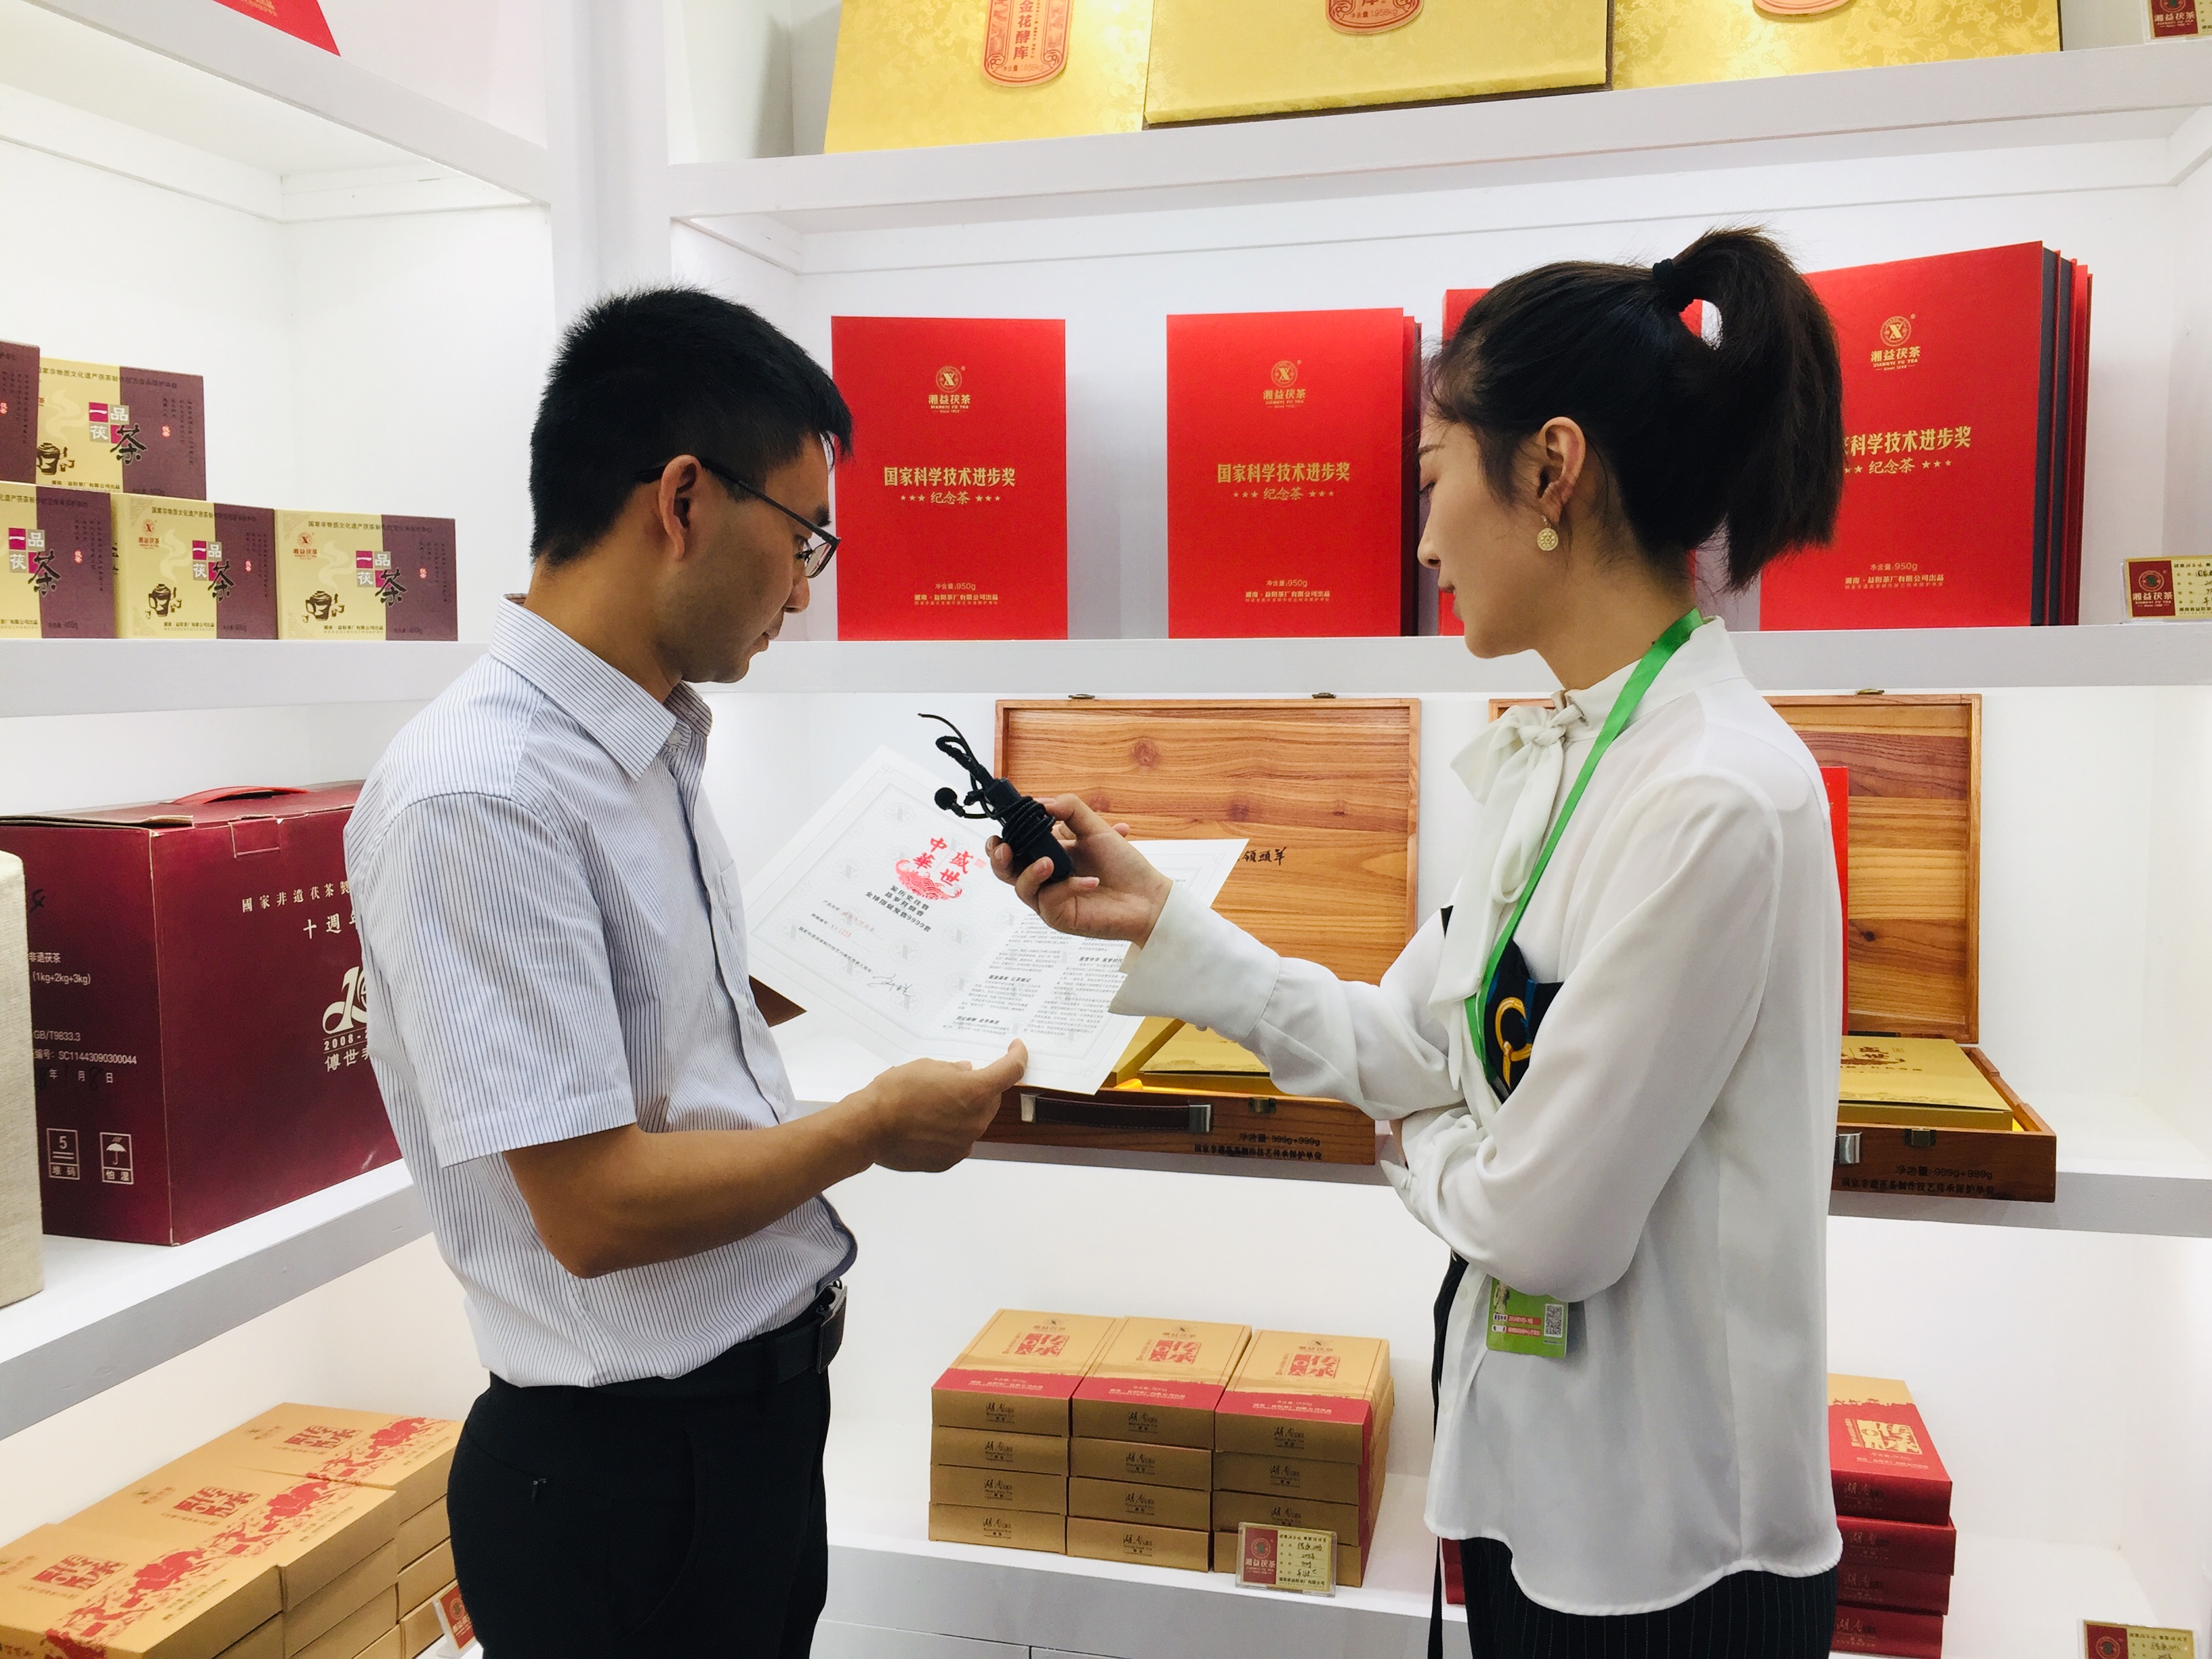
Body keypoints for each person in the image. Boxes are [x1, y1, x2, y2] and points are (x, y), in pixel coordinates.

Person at [991, 228, 1847, 1657]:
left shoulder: (1715, 797)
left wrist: (1418, 1139)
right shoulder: (1569, 751)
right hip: (1532, 1498)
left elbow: (1546, 1231)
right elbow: (1420, 1042)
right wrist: (1167, 926)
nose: (1424, 540)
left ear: (1552, 471)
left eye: (1435, 477)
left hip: (1673, 1559)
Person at [348, 289, 1026, 1659]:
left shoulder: (644, 739)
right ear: (683, 501)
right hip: (622, 1483)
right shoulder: (481, 792)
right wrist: (871, 1127)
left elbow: (653, 1027)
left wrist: (900, 939)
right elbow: (593, 1209)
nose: (807, 588)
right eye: (805, 536)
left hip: (740, 1437)